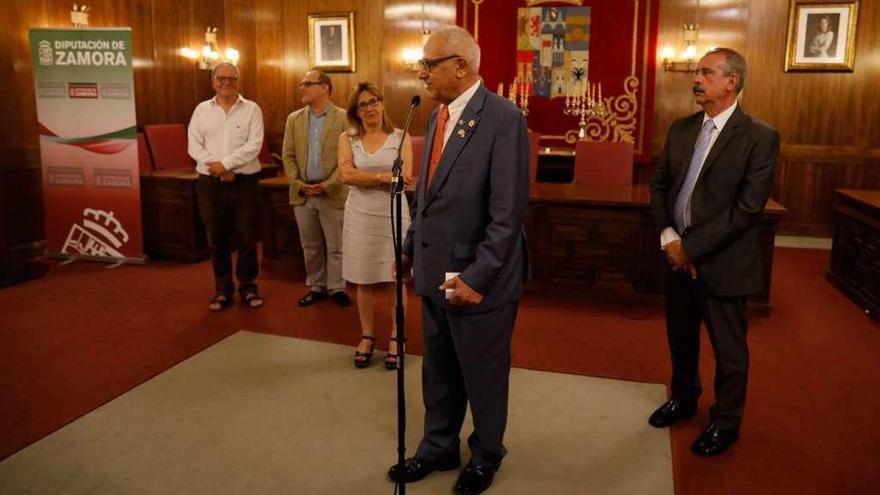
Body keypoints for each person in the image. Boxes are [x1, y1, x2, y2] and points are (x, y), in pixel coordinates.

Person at [386, 26, 529, 495]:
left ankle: (487, 455)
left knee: (482, 374)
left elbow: (507, 215)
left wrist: (478, 276)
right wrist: (409, 249)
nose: (422, 73)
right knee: (440, 370)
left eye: (430, 64)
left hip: (473, 276)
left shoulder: (503, 119)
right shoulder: (436, 116)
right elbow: (426, 197)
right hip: (434, 271)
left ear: (462, 66)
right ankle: (438, 448)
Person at [648, 48, 779, 457]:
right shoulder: (682, 128)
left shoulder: (759, 136)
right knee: (681, 338)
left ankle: (726, 422)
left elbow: (748, 209)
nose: (697, 78)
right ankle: (684, 399)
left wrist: (691, 249)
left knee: (728, 348)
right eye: (697, 71)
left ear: (731, 81)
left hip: (724, 263)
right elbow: (659, 185)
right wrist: (670, 237)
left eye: (706, 72)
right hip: (677, 257)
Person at [338, 82, 414, 369]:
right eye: (363, 104)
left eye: (374, 101)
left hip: (393, 213)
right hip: (359, 215)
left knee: (395, 278)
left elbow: (404, 178)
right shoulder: (348, 138)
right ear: (355, 111)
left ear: (382, 104)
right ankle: (368, 334)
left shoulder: (400, 136)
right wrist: (382, 178)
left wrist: (366, 176)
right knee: (364, 277)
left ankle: (398, 335)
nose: (369, 108)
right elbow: (345, 175)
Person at [187, 62, 265, 311]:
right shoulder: (201, 110)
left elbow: (254, 145)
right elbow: (193, 144)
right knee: (216, 238)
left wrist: (226, 164)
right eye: (221, 78)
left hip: (244, 183)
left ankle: (249, 287)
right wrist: (216, 167)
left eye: (231, 78)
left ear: (238, 82)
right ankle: (222, 290)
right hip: (209, 183)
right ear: (213, 82)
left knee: (245, 236)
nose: (226, 83)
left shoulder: (252, 109)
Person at [282, 69, 352, 308]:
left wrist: (327, 184)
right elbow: (287, 156)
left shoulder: (343, 117)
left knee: (336, 246)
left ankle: (337, 288)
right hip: (302, 194)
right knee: (310, 246)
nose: (302, 87)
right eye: (301, 84)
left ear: (324, 87)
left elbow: (348, 158)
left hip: (332, 192)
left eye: (307, 84)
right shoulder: (294, 119)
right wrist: (300, 184)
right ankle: (316, 286)